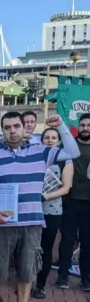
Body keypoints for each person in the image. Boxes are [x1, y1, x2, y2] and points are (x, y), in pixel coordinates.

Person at [0, 112, 80, 302]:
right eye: (7, 127)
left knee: (27, 269)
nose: (12, 131)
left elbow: (74, 152)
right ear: (2, 130)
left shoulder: (41, 152)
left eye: (16, 126)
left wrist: (62, 126)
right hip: (0, 223)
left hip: (32, 221)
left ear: (25, 129)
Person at [33, 128, 73, 299]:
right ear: (41, 140)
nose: (49, 140)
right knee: (30, 248)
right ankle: (28, 282)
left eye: (53, 138)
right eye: (46, 138)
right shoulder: (35, 158)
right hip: (32, 209)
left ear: (58, 141)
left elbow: (66, 188)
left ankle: (40, 285)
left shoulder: (66, 161)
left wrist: (45, 196)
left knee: (46, 248)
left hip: (52, 210)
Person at [58, 113, 90, 291]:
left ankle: (86, 278)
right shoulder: (70, 145)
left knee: (88, 242)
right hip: (70, 199)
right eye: (83, 125)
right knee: (67, 239)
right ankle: (63, 275)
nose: (85, 128)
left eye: (88, 125)